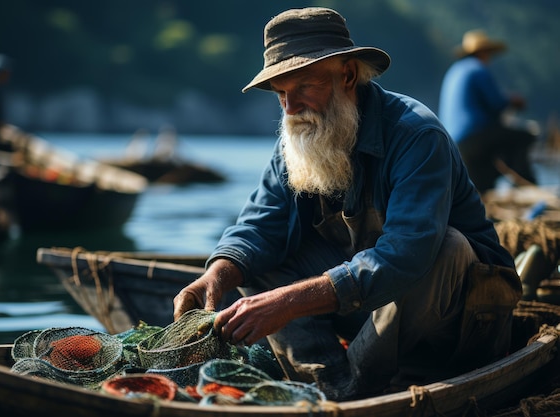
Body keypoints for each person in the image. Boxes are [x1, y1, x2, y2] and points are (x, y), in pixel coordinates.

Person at [173, 8, 521, 401]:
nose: (290, 108)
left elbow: (405, 255)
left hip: (458, 322)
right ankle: (326, 381)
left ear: (349, 75)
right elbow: (259, 224)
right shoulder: (297, 135)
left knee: (448, 248)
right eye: (281, 94)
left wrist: (287, 302)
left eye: (304, 87)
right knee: (254, 262)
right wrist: (218, 273)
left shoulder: (416, 134)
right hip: (368, 317)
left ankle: (356, 387)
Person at [438, 29, 537, 193]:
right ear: (483, 52)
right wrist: (515, 101)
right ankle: (526, 184)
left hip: (455, 143)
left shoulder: (455, 71)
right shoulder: (478, 69)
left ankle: (488, 196)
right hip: (475, 136)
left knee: (481, 181)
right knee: (525, 137)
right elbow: (497, 103)